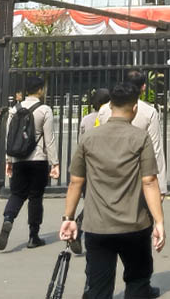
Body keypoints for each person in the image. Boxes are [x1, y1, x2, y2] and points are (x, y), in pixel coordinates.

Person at [59, 81, 165, 299]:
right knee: (137, 281)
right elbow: (149, 181)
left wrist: (68, 217)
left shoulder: (88, 138)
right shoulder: (140, 137)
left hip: (98, 225)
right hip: (134, 223)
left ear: (109, 106)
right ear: (134, 108)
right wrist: (159, 222)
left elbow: (76, 182)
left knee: (98, 286)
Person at [0, 76, 60, 251]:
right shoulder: (44, 109)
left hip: (18, 159)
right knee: (35, 197)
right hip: (38, 159)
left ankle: (8, 219)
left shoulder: (14, 109)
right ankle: (34, 236)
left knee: (17, 194)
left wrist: (8, 160)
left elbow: (10, 137)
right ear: (40, 90)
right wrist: (55, 163)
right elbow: (50, 139)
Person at [99, 70, 167, 194]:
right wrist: (161, 187)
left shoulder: (105, 109)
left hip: (108, 173)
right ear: (144, 87)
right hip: (137, 173)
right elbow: (155, 149)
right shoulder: (149, 111)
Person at [68, 88, 111, 255]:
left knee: (92, 200)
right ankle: (83, 226)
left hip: (87, 164)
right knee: (104, 200)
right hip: (104, 165)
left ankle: (81, 227)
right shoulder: (108, 118)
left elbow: (81, 142)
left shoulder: (86, 119)